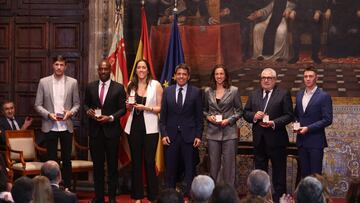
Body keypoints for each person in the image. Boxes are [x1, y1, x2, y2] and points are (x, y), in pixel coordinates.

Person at [243, 68, 293, 203]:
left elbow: (289, 115)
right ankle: (260, 200)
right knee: (259, 177)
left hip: (277, 141)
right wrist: (254, 116)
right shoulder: (254, 94)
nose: (266, 80)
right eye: (263, 77)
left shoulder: (283, 94)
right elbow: (246, 113)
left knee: (279, 176)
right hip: (259, 141)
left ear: (275, 80)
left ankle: (279, 200)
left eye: (269, 78)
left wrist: (273, 123)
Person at [34, 55, 80, 189]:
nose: (59, 67)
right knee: (51, 160)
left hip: (66, 126)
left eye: (61, 65)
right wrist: (48, 114)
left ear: (66, 66)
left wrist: (70, 113)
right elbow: (37, 105)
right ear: (52, 65)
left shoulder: (73, 82)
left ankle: (67, 187)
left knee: (66, 160)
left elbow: (77, 104)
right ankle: (51, 188)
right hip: (50, 126)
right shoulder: (43, 82)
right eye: (56, 64)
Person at [84, 59, 126, 203]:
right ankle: (99, 197)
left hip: (112, 133)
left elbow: (123, 109)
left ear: (110, 70)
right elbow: (85, 105)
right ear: (98, 70)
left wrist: (110, 117)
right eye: (101, 69)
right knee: (98, 168)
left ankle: (112, 198)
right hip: (95, 133)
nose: (103, 71)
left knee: (112, 167)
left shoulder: (119, 88)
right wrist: (87, 111)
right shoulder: (90, 87)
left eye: (105, 69)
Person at [160, 63, 203, 195]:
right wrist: (164, 134)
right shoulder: (167, 91)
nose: (181, 76)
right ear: (174, 76)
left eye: (184, 74)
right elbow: (163, 117)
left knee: (190, 169)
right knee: (171, 170)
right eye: (179, 74)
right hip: (170, 137)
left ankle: (190, 196)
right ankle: (170, 196)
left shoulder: (196, 92)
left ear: (188, 76)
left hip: (189, 137)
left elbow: (198, 117)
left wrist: (198, 136)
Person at [124, 59, 163, 202]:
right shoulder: (131, 85)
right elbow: (128, 107)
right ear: (136, 70)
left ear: (148, 70)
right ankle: (137, 196)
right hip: (134, 127)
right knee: (136, 162)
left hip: (151, 128)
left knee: (149, 161)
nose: (141, 70)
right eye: (139, 67)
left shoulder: (156, 85)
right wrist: (128, 105)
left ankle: (153, 196)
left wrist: (146, 108)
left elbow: (160, 107)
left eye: (144, 67)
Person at [203, 64, 243, 186]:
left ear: (225, 76)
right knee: (213, 166)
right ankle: (214, 194)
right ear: (213, 76)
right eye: (216, 74)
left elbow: (240, 111)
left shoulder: (234, 90)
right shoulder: (207, 91)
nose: (219, 76)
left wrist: (229, 120)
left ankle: (228, 195)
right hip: (212, 133)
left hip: (229, 133)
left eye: (221, 74)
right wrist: (209, 117)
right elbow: (204, 110)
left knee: (229, 166)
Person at [294, 66, 332, 178]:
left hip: (316, 142)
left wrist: (308, 128)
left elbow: (327, 119)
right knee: (304, 176)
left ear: (316, 78)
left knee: (315, 177)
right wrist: (296, 123)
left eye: (311, 76)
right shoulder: (299, 95)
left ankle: (316, 196)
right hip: (301, 142)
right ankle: (305, 196)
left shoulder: (324, 96)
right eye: (305, 76)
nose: (308, 79)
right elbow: (296, 114)